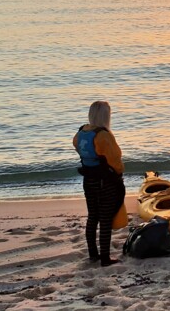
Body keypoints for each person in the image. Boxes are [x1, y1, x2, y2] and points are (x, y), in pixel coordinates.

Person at [73, 100, 125, 267]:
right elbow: (116, 159)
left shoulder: (81, 133)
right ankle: (105, 258)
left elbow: (77, 147)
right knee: (105, 219)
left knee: (92, 217)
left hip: (89, 180)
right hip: (105, 182)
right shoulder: (103, 135)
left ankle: (93, 254)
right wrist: (119, 174)